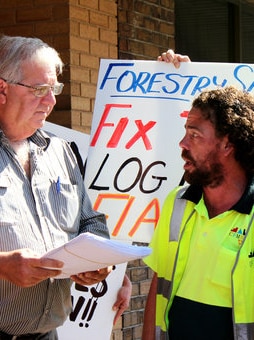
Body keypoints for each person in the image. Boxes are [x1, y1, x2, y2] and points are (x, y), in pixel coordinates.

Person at [0, 34, 130, 339]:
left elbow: (90, 221)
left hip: (48, 333)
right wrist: (3, 265)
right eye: (39, 90)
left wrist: (96, 262)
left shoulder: (61, 152)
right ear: (2, 89)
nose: (51, 101)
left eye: (54, 89)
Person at [142, 52, 254, 340]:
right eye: (185, 132)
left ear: (228, 144)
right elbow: (159, 284)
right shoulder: (177, 202)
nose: (182, 143)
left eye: (195, 134)